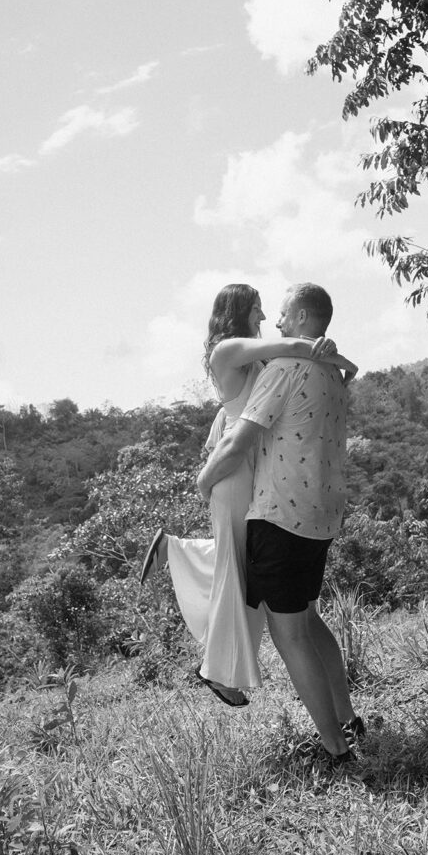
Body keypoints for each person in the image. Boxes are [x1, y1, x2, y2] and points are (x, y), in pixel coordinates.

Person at [140, 283, 357, 708]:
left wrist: (343, 363)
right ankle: (217, 671)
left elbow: (296, 353)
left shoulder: (259, 356)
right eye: (258, 310)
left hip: (256, 470)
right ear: (238, 311)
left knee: (237, 561)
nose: (264, 318)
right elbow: (296, 342)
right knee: (234, 569)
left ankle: (177, 550)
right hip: (234, 470)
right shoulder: (228, 350)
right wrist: (334, 353)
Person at [196, 283, 363, 764]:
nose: (275, 319)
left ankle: (335, 746)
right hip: (320, 512)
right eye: (264, 311)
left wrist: (204, 480)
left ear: (304, 315)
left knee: (289, 632)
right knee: (308, 619)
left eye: (284, 312)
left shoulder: (285, 369)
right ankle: (348, 718)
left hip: (279, 512)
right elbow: (339, 365)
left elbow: (238, 443)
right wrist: (329, 351)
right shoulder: (328, 372)